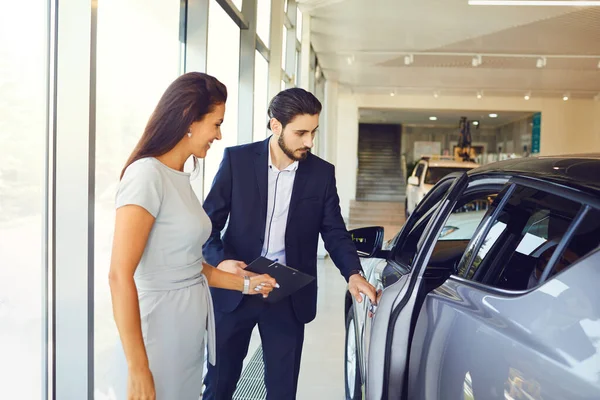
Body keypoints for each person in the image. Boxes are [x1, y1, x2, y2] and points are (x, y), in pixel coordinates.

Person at [108, 72, 277, 400]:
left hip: (186, 331)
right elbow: (119, 275)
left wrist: (248, 284)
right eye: (215, 123)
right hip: (156, 333)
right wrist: (139, 367)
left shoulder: (180, 178)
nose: (219, 134)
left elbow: (188, 265)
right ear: (189, 118)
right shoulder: (146, 176)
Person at [202, 88, 377, 400]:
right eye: (301, 133)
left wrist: (353, 273)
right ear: (276, 126)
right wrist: (220, 262)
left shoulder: (322, 174)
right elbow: (207, 225)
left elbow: (334, 231)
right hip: (235, 287)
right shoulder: (237, 161)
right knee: (218, 386)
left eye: (313, 132)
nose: (309, 142)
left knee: (283, 392)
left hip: (287, 295)